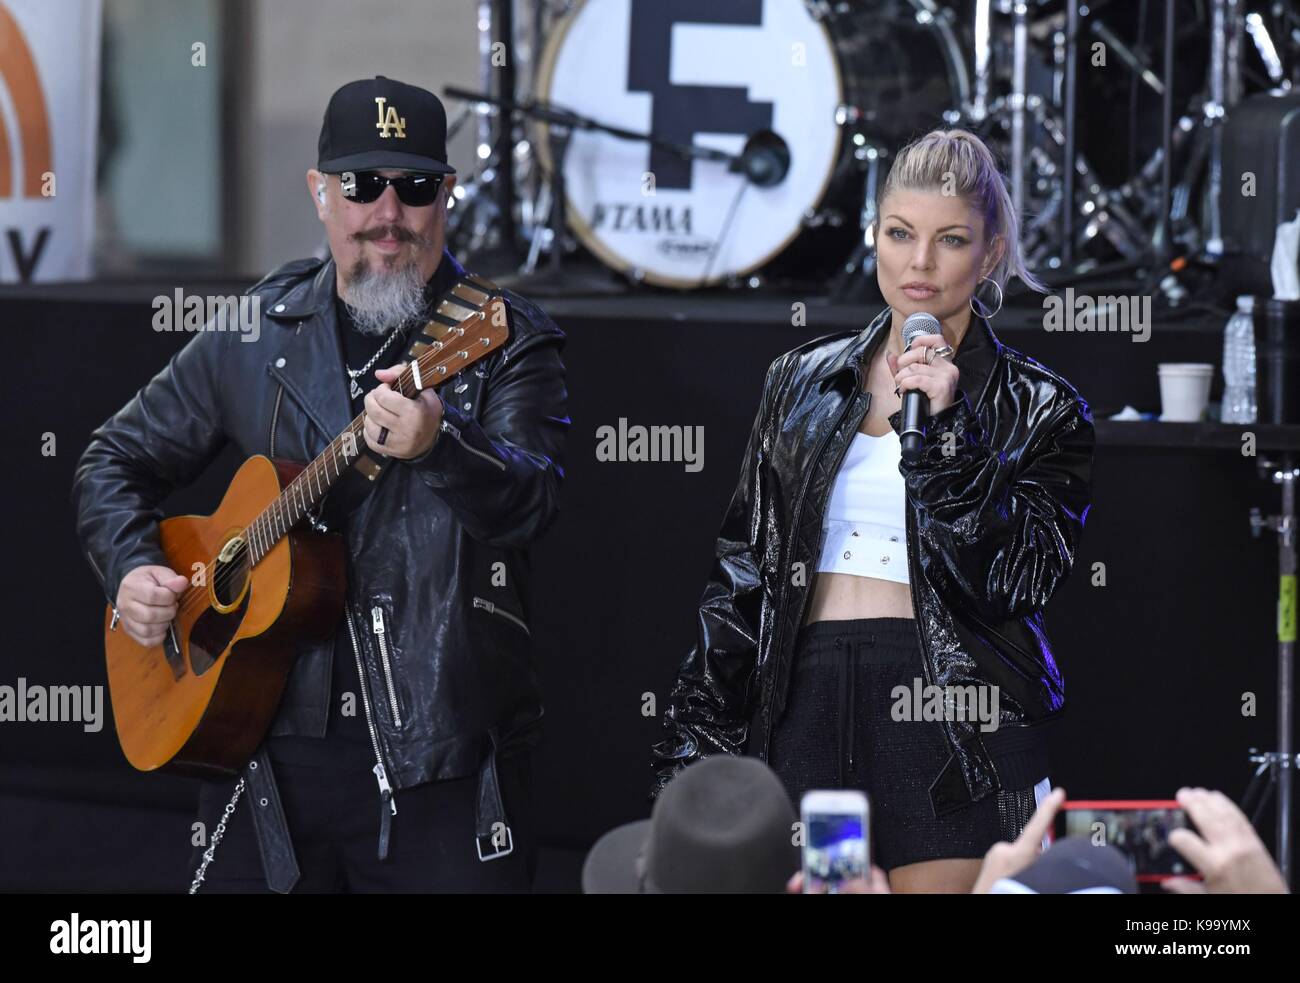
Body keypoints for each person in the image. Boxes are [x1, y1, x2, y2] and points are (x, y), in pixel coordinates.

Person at [72, 76, 569, 892]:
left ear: (447, 194)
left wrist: (442, 445)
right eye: (360, 185)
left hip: (434, 764)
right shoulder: (255, 329)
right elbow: (111, 458)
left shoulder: (501, 337)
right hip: (259, 751)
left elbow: (533, 502)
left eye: (413, 187)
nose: (387, 214)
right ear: (319, 193)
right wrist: (128, 565)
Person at [652, 128, 1095, 893]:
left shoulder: (1043, 407)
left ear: (989, 255)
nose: (920, 264)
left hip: (949, 724)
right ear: (876, 236)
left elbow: (1012, 578)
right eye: (900, 234)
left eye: (951, 240)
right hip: (806, 707)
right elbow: (741, 577)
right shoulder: (800, 378)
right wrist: (692, 752)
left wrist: (948, 429)